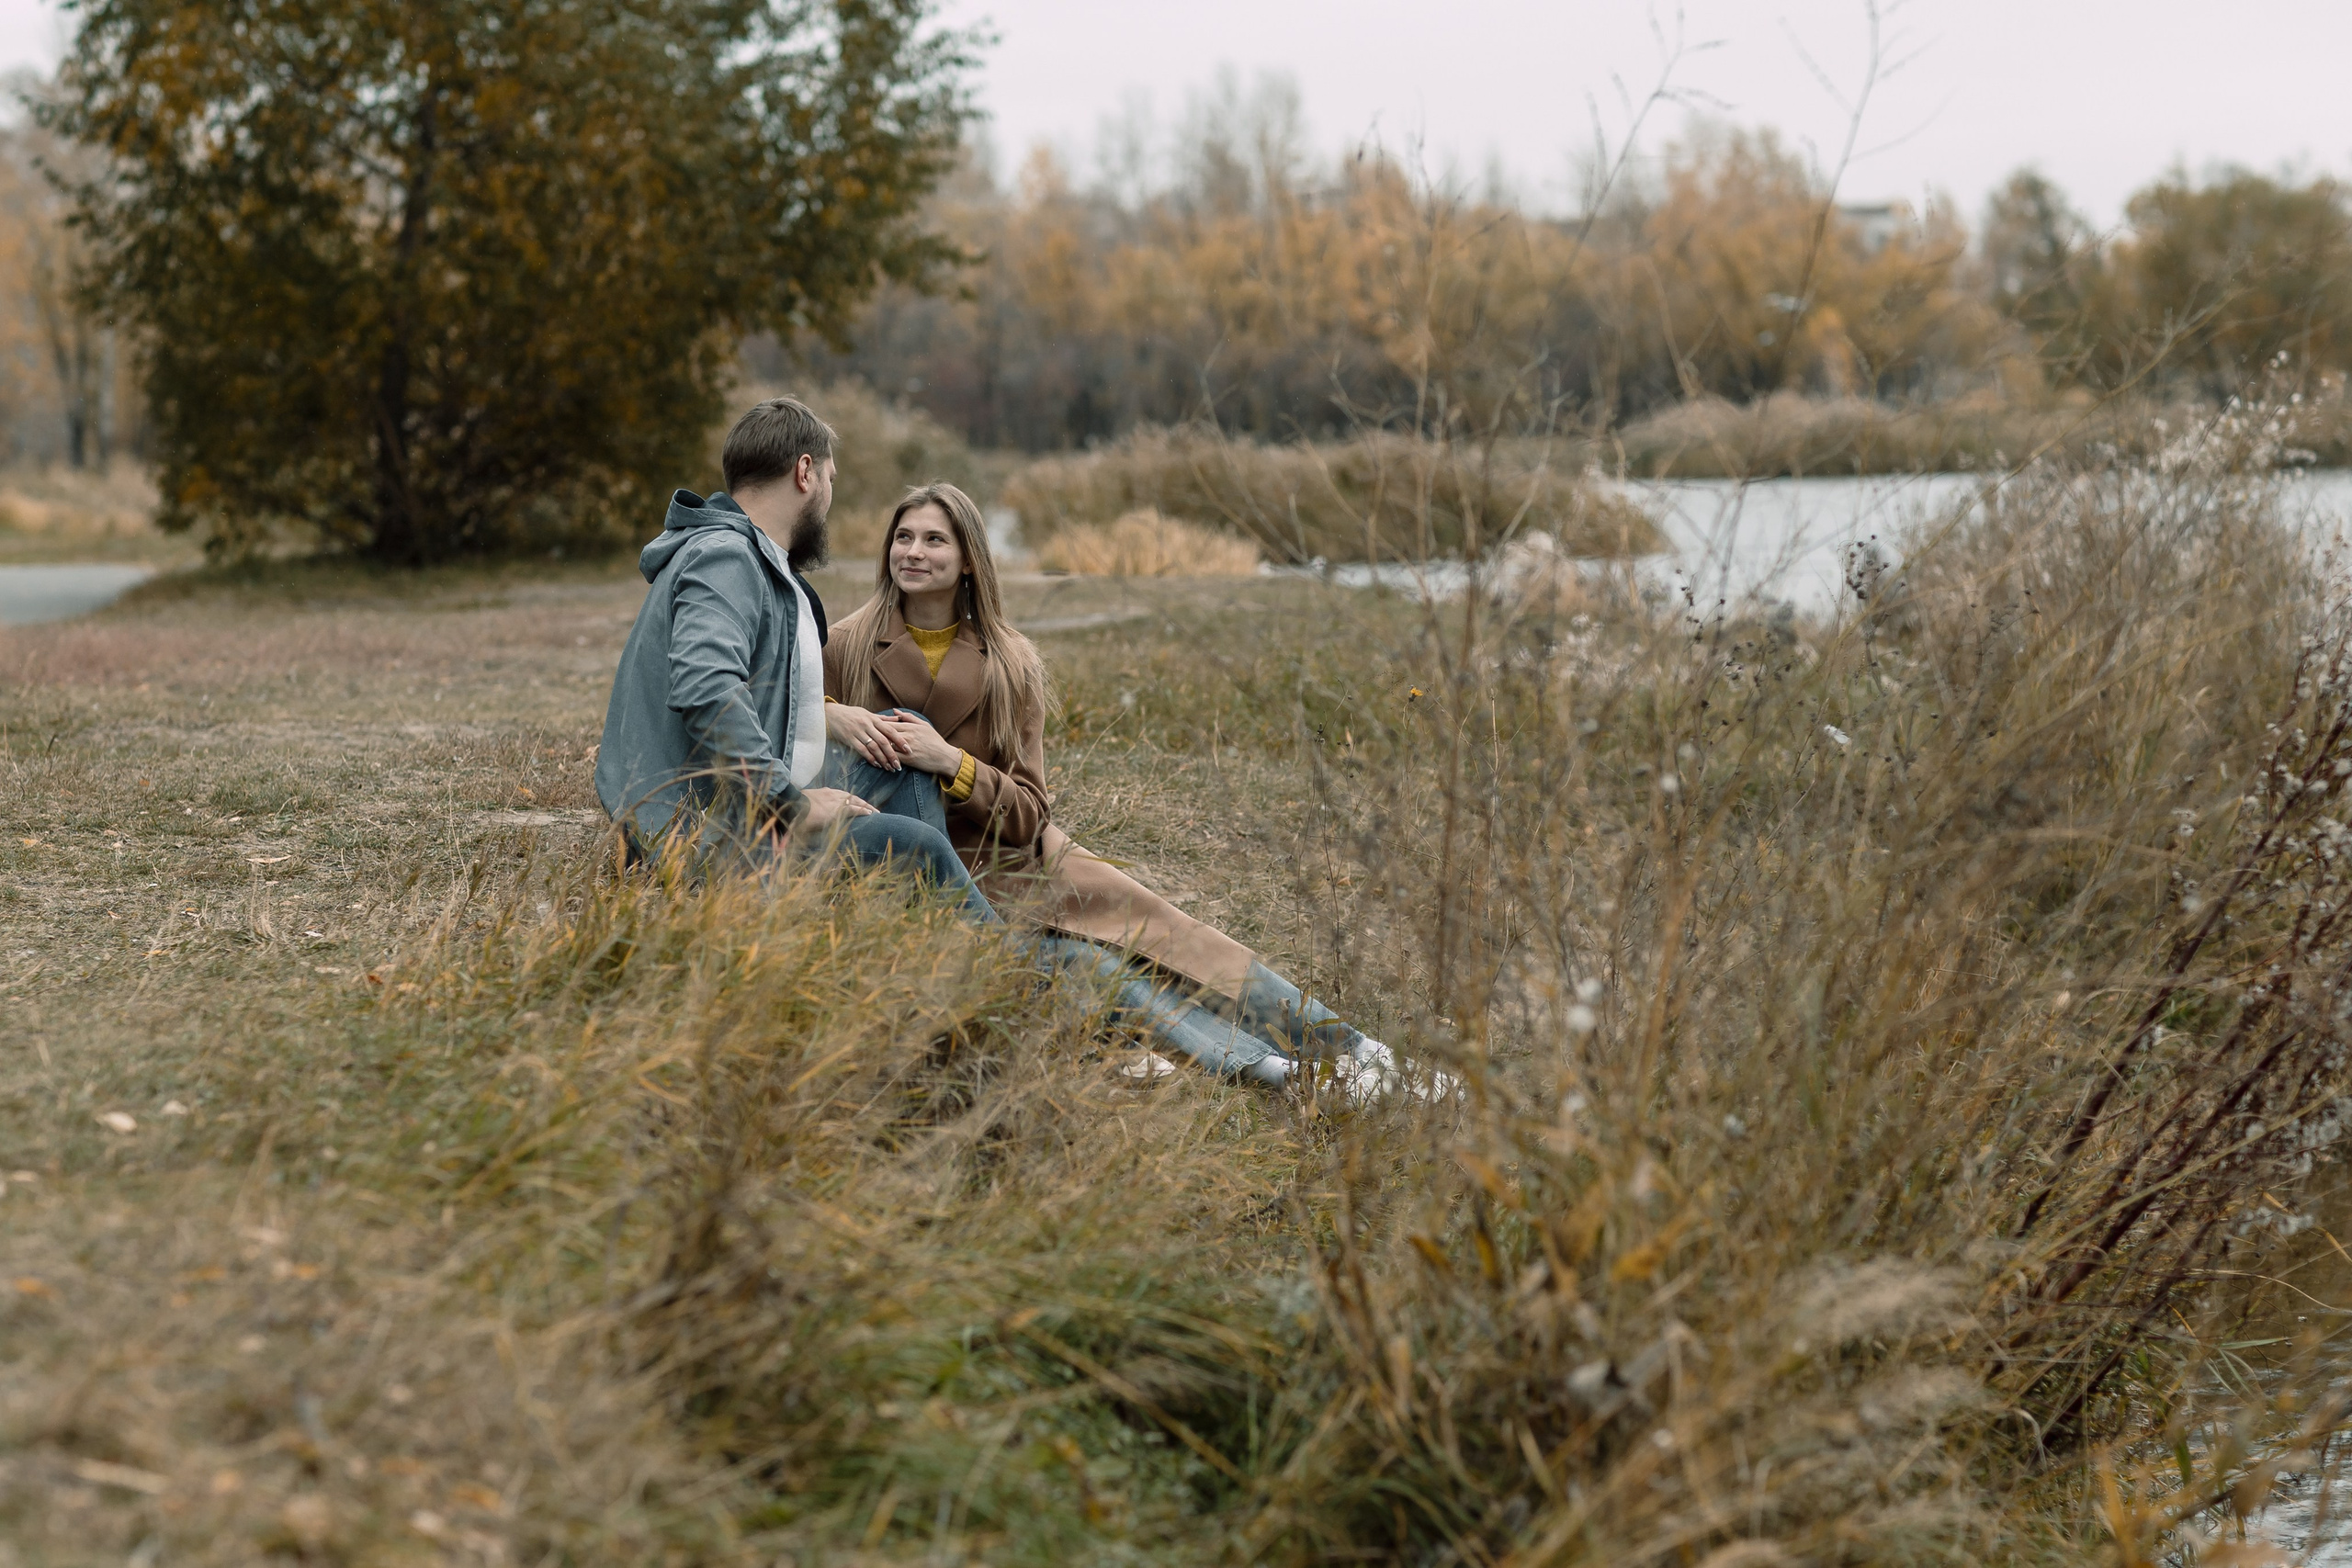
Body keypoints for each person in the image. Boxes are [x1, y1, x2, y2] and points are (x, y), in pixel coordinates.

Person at [823, 481, 1430, 1099]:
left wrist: (953, 763)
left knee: (1180, 941)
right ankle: (1292, 1075)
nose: (913, 552)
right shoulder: (844, 644)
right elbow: (800, 741)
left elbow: (1030, 812)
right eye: (903, 537)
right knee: (1105, 972)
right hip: (930, 876)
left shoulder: (1010, 660)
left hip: (1018, 858)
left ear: (970, 558)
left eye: (934, 539)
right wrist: (830, 714)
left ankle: (1355, 1047)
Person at [595, 398, 994, 923]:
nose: (829, 496)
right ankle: (1006, 970)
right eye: (830, 478)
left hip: (747, 804)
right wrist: (792, 803)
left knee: (903, 741)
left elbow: (760, 692)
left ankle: (917, 924)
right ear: (805, 472)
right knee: (917, 846)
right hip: (702, 838)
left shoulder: (751, 559)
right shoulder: (726, 559)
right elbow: (706, 689)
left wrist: (827, 718)